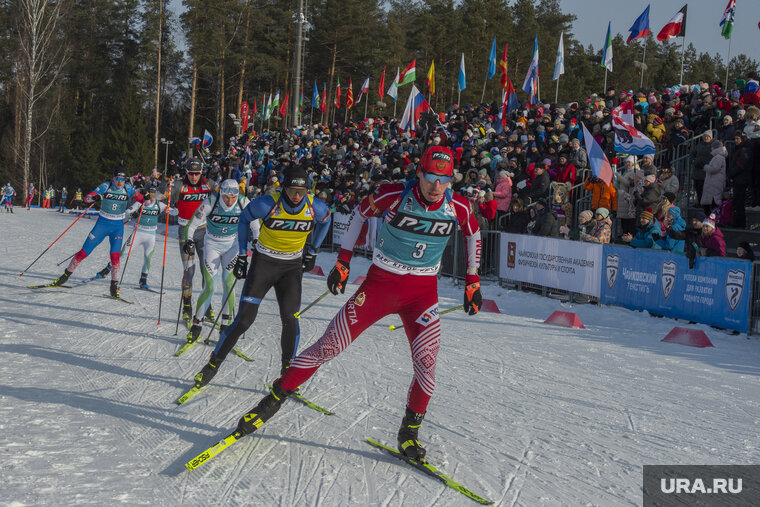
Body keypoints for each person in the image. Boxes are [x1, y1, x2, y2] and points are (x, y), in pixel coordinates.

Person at [229, 146, 483, 462]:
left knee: (427, 364)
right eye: (430, 177)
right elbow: (360, 213)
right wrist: (343, 261)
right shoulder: (393, 195)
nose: (436, 186)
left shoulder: (456, 205)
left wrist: (472, 279)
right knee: (329, 346)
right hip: (380, 286)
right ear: (419, 173)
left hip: (423, 295)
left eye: (443, 179)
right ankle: (270, 402)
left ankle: (408, 434)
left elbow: (473, 231)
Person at [191, 165, 330, 390]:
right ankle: (212, 365)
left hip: (291, 268)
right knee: (244, 321)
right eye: (292, 190)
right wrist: (244, 255)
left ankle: (287, 375)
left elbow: (326, 221)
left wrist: (313, 250)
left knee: (290, 318)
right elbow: (244, 219)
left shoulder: (315, 206)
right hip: (264, 264)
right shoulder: (268, 203)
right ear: (284, 188)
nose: (296, 196)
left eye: (301, 192)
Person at [50, 166, 143, 297]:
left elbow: (143, 200)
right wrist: (96, 198)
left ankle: (113, 287)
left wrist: (150, 197)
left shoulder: (128, 188)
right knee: (84, 252)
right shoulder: (106, 186)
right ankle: (65, 276)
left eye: (123, 179)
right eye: (117, 178)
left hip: (118, 227)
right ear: (113, 177)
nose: (120, 182)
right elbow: (87, 198)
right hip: (102, 224)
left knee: (115, 257)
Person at [184, 179, 253, 344]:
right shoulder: (210, 202)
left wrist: (256, 239)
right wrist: (189, 240)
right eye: (226, 197)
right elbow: (191, 225)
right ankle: (197, 324)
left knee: (228, 285)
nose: (229, 201)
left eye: (233, 197)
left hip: (233, 246)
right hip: (213, 245)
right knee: (210, 286)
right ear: (220, 193)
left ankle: (225, 325)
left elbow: (256, 225)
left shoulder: (243, 202)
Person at [97, 185, 173, 289]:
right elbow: (127, 212)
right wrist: (133, 214)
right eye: (149, 195)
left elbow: (172, 211)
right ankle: (107, 269)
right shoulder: (140, 203)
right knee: (123, 254)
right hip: (138, 233)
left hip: (151, 235)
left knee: (148, 257)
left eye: (153, 195)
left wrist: (175, 209)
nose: (151, 198)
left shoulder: (159, 204)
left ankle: (143, 280)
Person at [171, 158, 213, 323]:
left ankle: (207, 305)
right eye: (191, 173)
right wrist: (165, 180)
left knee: (206, 270)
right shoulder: (179, 185)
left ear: (201, 172)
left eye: (197, 173)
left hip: (203, 231)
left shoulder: (208, 183)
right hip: (185, 230)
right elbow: (161, 195)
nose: (194, 177)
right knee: (189, 271)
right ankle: (187, 306)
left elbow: (223, 194)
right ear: (186, 173)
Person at [700, 140, 727, 216]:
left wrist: (704, 166)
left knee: (712, 203)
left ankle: (713, 221)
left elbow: (714, 169)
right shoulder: (718, 156)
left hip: (715, 183)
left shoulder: (719, 157)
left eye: (712, 147)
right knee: (710, 203)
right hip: (714, 182)